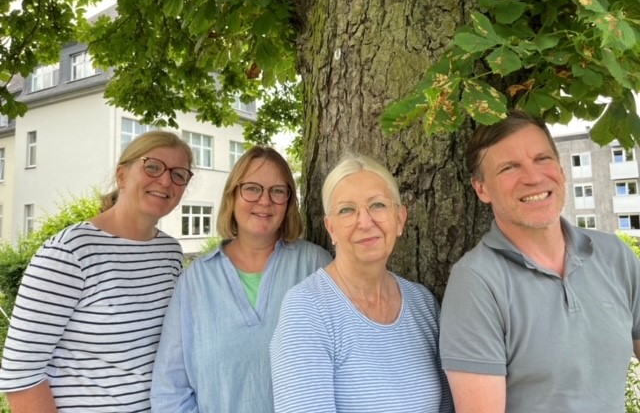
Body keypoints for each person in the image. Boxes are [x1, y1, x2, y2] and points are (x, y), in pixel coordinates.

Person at [439, 110, 640, 412]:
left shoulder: (614, 255)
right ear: (482, 189)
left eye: (542, 159)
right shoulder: (476, 282)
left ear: (561, 170)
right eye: (509, 167)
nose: (533, 177)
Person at [0, 130, 194, 413]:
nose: (165, 180)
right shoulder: (70, 252)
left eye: (179, 174)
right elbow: (21, 377)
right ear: (122, 175)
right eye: (152, 166)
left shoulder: (170, 253)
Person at [150, 145, 331, 412]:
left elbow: (349, 366)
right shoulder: (195, 281)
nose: (265, 200)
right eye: (252, 188)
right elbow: (169, 389)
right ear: (232, 195)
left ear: (290, 202)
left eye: (278, 191)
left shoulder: (316, 266)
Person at [270, 154, 453, 413]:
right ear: (331, 228)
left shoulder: (422, 305)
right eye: (347, 210)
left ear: (400, 219)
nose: (365, 222)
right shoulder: (307, 309)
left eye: (378, 205)